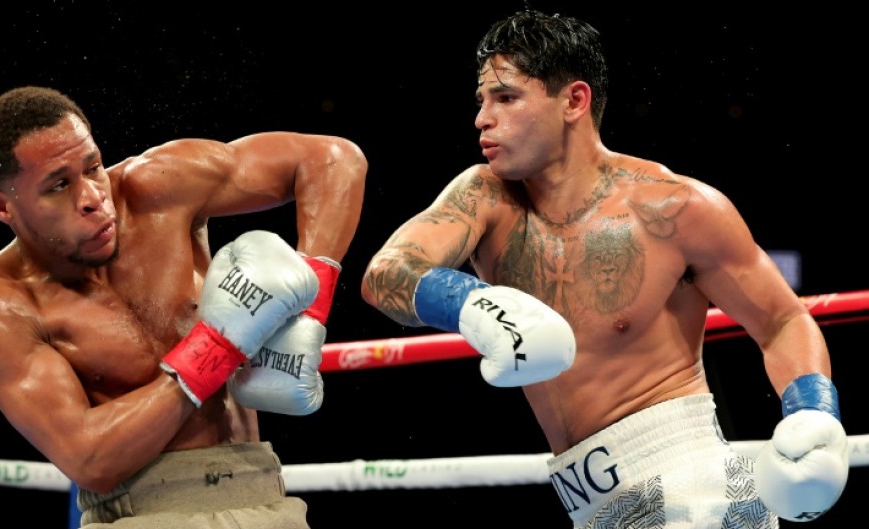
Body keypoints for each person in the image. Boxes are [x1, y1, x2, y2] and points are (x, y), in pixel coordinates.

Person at [360, 9, 848, 528]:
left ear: (573, 100)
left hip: (693, 487)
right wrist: (470, 302)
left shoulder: (673, 208)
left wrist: (814, 413)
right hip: (595, 508)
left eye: (505, 97)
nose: (482, 118)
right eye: (481, 100)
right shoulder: (486, 197)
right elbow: (386, 273)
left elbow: (782, 321)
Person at [0, 85, 367, 528]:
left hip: (265, 496)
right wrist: (216, 347)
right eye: (58, 185)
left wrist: (312, 303)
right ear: (0, 205)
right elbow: (90, 459)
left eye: (93, 167)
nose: (92, 196)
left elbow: (333, 159)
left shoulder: (157, 188)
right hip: (140, 515)